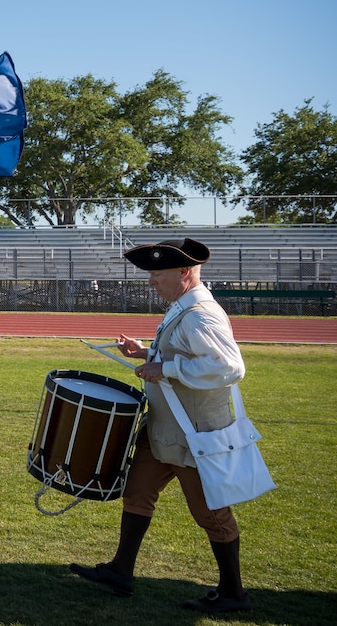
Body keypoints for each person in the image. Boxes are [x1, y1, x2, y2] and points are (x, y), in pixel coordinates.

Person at [70, 238, 251, 613]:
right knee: (137, 493)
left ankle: (233, 593)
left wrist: (164, 368)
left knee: (211, 514)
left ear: (185, 272)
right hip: (164, 429)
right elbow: (184, 353)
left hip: (194, 435)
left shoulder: (202, 313)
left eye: (157, 274)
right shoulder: (181, 306)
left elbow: (230, 368)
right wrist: (146, 352)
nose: (151, 281)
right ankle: (121, 570)